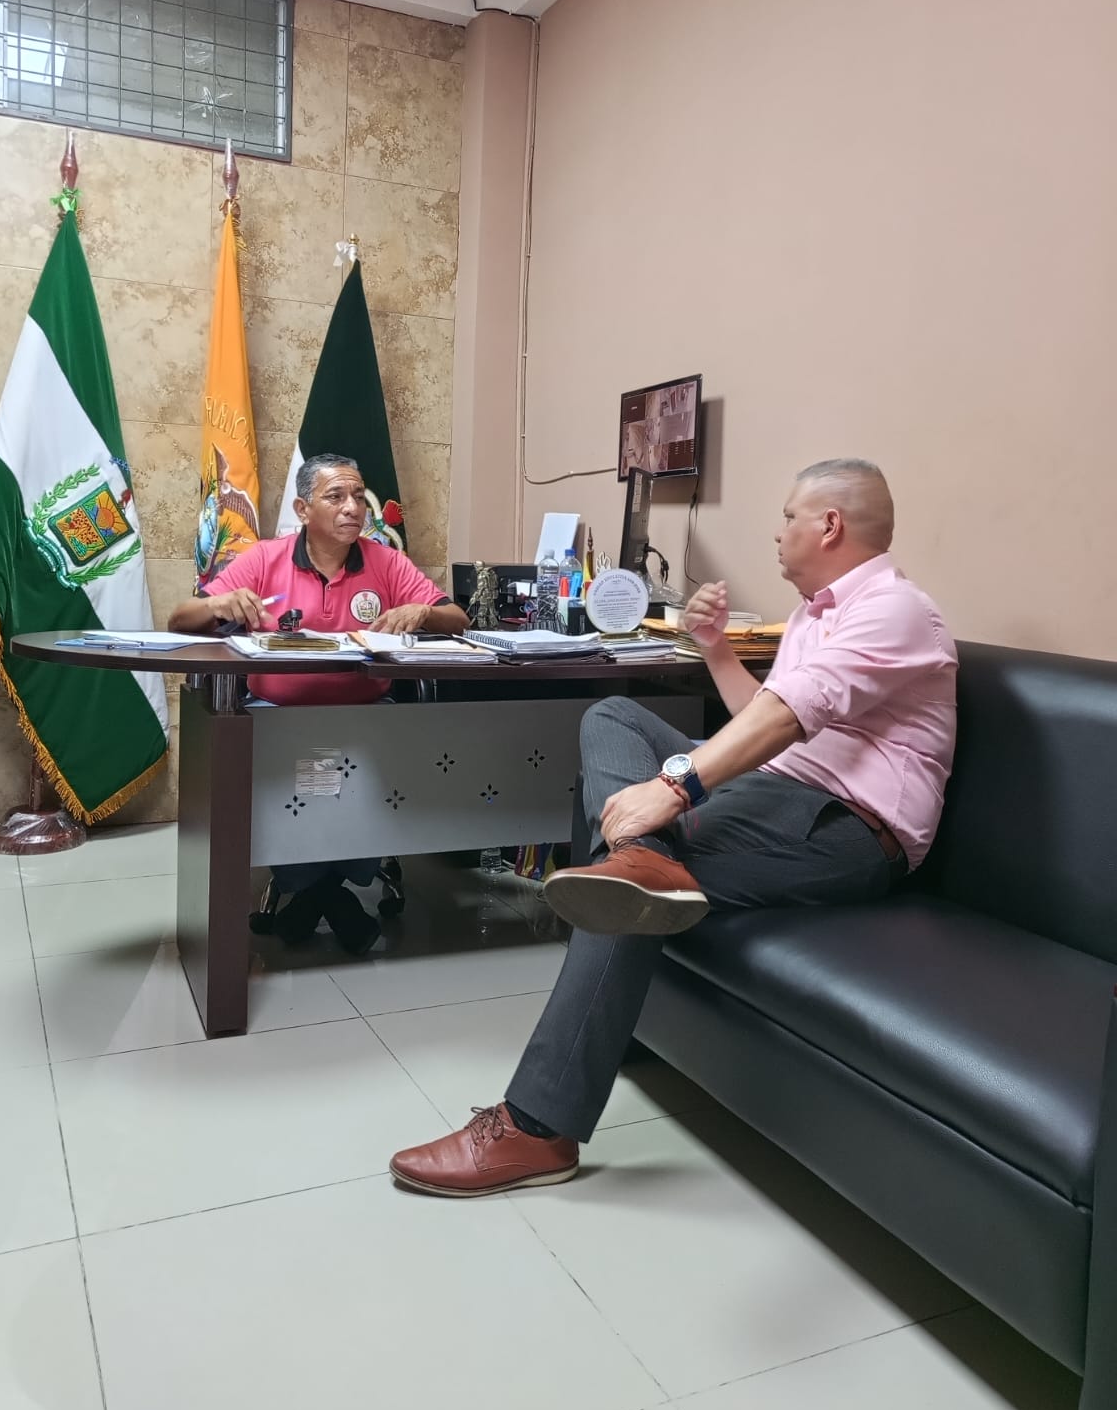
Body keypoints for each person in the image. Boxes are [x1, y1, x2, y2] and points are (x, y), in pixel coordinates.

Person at [390, 458, 957, 1195]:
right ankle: (639, 865)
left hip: (847, 828)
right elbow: (767, 716)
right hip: (780, 792)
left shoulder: (894, 608)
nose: (777, 532)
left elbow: (788, 717)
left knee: (629, 873)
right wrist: (716, 647)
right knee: (615, 716)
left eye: (789, 516)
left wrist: (676, 787)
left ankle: (538, 1128)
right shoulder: (817, 613)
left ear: (829, 525)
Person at [169, 452, 468, 953]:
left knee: (359, 777)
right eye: (336, 496)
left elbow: (458, 618)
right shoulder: (266, 558)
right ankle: (328, 893)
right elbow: (179, 619)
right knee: (305, 774)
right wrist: (217, 603)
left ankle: (312, 894)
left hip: (367, 717)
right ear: (303, 509)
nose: (353, 507)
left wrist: (422, 612)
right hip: (279, 718)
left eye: (358, 496)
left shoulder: (384, 560)